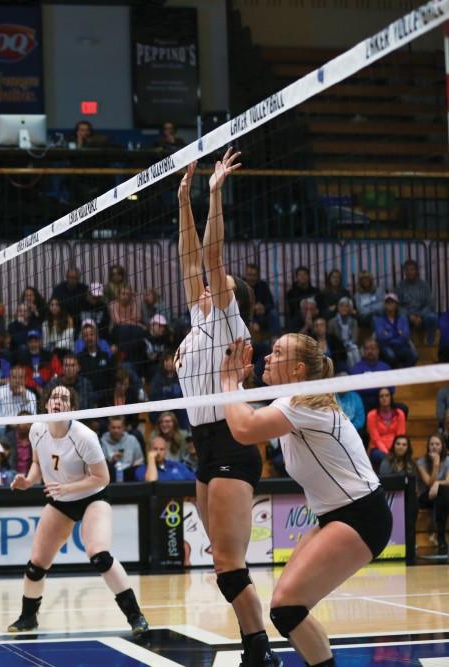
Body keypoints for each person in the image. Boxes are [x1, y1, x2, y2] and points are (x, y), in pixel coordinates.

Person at [220, 333, 393, 666]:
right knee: (287, 610)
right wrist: (237, 387)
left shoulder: (302, 402)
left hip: (360, 514)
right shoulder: (295, 402)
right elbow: (247, 419)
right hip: (341, 515)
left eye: (277, 352)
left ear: (298, 369)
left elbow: (243, 428)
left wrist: (228, 382)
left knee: (287, 607)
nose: (268, 357)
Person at [176, 151, 277, 667]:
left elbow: (210, 258)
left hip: (232, 444)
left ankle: (260, 651)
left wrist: (213, 193)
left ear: (238, 300)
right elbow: (189, 259)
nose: (212, 284)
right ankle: (253, 646)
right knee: (224, 564)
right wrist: (181, 202)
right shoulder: (200, 322)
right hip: (204, 446)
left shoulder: (229, 324)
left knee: (228, 565)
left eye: (223, 287)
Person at [6, 385, 149, 636]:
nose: (58, 401)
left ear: (72, 408)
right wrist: (28, 481)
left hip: (92, 497)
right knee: (36, 565)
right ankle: (28, 618)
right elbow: (38, 462)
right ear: (47, 404)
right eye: (54, 397)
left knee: (99, 555)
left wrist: (68, 487)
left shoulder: (84, 436)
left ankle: (136, 616)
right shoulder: (37, 429)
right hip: (61, 500)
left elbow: (102, 477)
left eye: (64, 398)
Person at [416, 433, 449, 555]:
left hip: (442, 496)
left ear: (442, 446)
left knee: (444, 492)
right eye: (432, 444)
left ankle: (438, 535)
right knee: (444, 493)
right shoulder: (421, 462)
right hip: (426, 496)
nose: (434, 447)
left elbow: (448, 481)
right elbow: (429, 484)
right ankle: (439, 537)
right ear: (428, 446)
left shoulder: (448, 460)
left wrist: (437, 484)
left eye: (437, 444)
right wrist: (435, 464)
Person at [396, 258, 438, 345]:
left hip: (422, 315)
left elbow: (430, 304)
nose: (409, 272)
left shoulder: (424, 285)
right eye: (407, 270)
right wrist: (410, 316)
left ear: (416, 271)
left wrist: (420, 316)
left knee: (432, 317)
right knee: (401, 317)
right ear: (404, 272)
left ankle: (430, 345)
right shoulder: (400, 286)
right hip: (407, 315)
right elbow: (397, 305)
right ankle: (406, 346)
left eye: (412, 269)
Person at [365, 387, 406, 470]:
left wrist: (394, 450)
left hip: (395, 447)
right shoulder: (371, 415)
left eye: (387, 395)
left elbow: (400, 435)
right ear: (378, 398)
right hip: (377, 448)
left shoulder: (399, 414)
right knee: (380, 456)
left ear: (391, 397)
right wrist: (388, 453)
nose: (384, 398)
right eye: (381, 396)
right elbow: (375, 438)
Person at [373, 293, 417, 368]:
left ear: (396, 305)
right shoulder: (379, 320)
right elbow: (380, 337)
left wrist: (388, 334)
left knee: (414, 356)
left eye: (392, 302)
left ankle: (404, 373)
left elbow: (406, 336)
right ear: (384, 305)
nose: (390, 304)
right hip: (386, 346)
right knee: (391, 356)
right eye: (387, 302)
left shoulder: (403, 319)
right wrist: (397, 333)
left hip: (401, 346)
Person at [349, 338, 392, 413]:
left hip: (382, 401)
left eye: (372, 348)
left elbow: (391, 388)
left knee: (402, 408)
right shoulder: (356, 368)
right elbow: (355, 389)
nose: (370, 351)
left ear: (378, 350)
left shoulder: (385, 367)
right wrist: (378, 386)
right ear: (363, 351)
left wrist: (367, 386)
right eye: (367, 348)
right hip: (363, 403)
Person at [99, 416, 144, 481]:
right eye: (113, 427)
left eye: (119, 428)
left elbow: (139, 460)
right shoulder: (103, 441)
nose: (116, 430)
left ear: (124, 428)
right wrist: (112, 460)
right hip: (110, 474)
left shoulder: (132, 440)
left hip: (129, 472)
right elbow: (101, 464)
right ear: (108, 428)